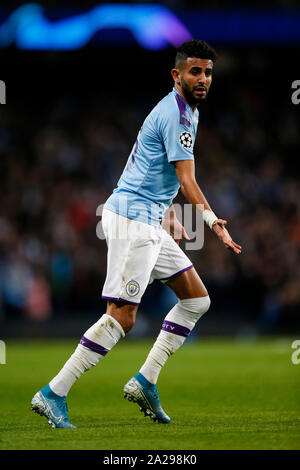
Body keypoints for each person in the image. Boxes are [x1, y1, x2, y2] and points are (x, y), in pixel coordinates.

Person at [31, 39, 242, 428]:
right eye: (195, 71)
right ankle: (53, 393)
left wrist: (166, 214)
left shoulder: (186, 112)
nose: (203, 79)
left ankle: (146, 380)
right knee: (123, 316)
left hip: (146, 217)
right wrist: (212, 222)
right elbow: (186, 178)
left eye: (209, 72)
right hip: (132, 220)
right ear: (176, 75)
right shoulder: (176, 115)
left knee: (197, 300)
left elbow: (148, 171)